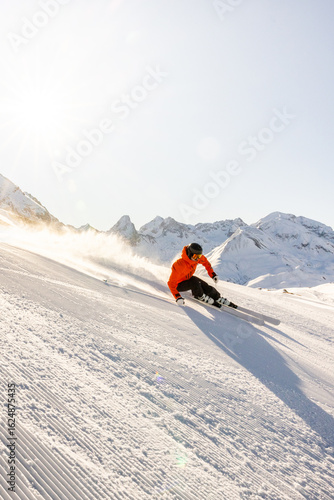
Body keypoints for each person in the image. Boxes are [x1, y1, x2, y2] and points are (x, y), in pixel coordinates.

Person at [167, 242, 237, 308]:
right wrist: (178, 297)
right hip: (178, 285)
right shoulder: (179, 265)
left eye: (199, 256)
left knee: (204, 285)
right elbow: (171, 283)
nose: (197, 259)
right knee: (194, 282)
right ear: (189, 254)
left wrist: (212, 274)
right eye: (195, 256)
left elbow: (206, 263)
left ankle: (217, 297)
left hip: (187, 279)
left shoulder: (196, 259)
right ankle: (199, 295)